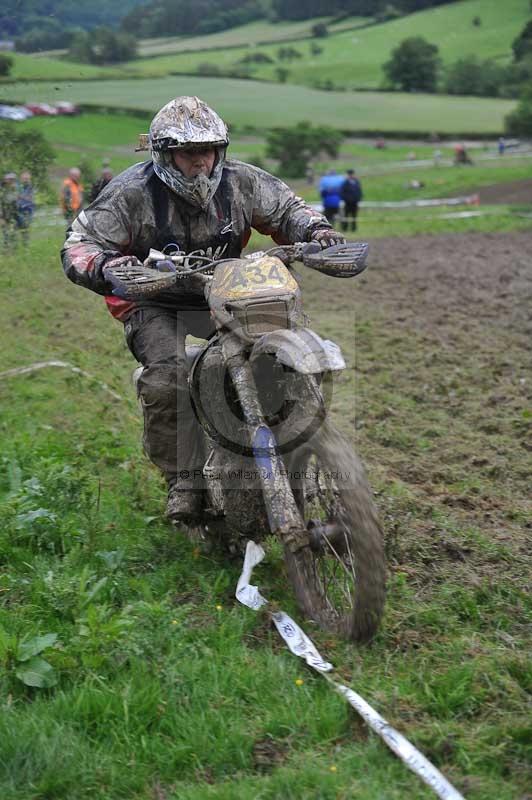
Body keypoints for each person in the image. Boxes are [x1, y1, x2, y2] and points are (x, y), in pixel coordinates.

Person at [61, 95, 345, 522]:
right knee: (168, 378)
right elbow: (79, 244)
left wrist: (316, 230)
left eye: (208, 151)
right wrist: (107, 264)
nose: (200, 163)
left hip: (228, 292)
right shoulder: (130, 193)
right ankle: (183, 479)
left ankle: (298, 455)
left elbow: (287, 208)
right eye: (189, 153)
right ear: (164, 154)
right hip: (154, 299)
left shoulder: (241, 182)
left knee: (277, 359)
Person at [0, 172, 19, 249]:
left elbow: (15, 202)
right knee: (6, 233)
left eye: (13, 179)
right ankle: (6, 249)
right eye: (10, 179)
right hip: (4, 215)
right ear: (6, 180)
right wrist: (0, 217)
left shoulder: (14, 189)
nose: (11, 181)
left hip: (13, 215)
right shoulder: (2, 190)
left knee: (13, 232)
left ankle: (13, 248)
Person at [16, 170, 34, 246]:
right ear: (21, 178)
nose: (26, 180)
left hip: (27, 211)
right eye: (24, 178)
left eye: (27, 178)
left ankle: (25, 245)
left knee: (25, 229)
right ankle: (13, 246)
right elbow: (16, 197)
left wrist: (21, 197)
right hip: (17, 211)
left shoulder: (30, 187)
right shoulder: (17, 186)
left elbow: (30, 199)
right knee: (14, 229)